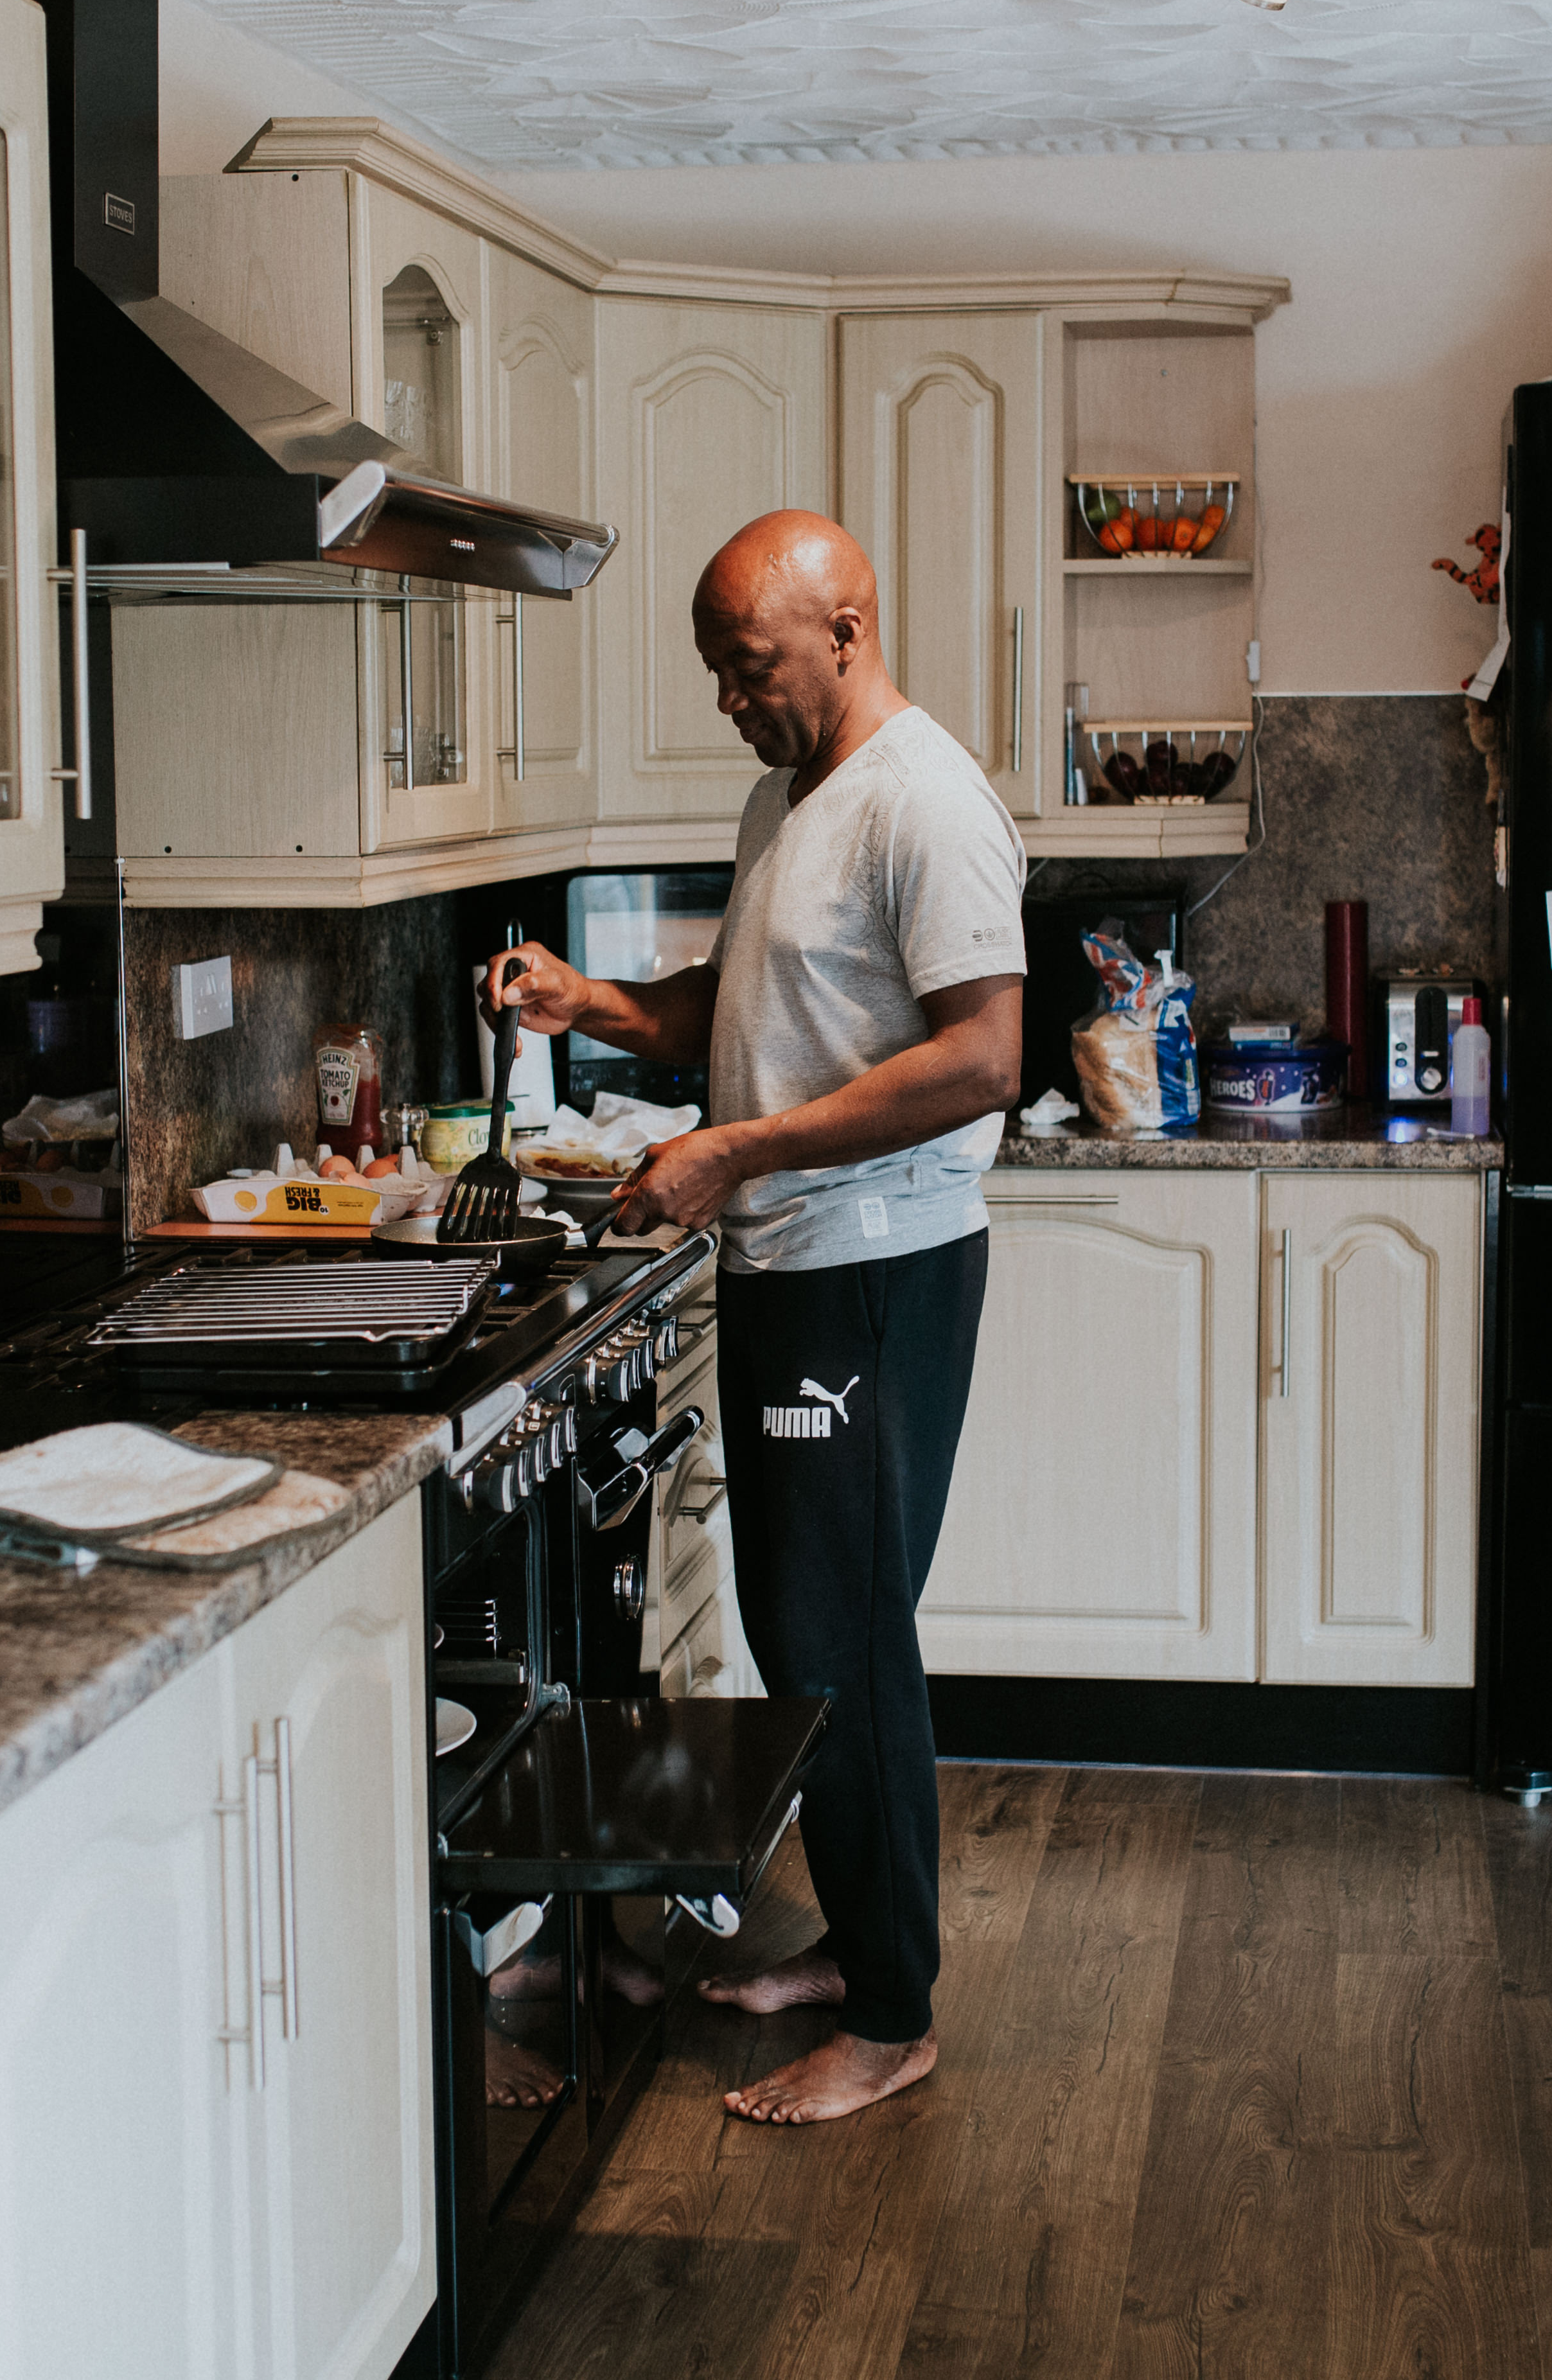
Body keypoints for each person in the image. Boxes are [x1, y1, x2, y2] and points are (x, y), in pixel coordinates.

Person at [485, 510, 1025, 2126]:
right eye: (716, 672)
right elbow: (744, 1023)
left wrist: (739, 1150)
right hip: (797, 1261)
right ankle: (862, 1955)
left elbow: (984, 1054)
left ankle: (897, 2016)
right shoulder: (788, 799)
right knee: (809, 1636)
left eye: (751, 665)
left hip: (870, 1267)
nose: (731, 698)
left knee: (849, 1647)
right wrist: (594, 1010)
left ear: (845, 630)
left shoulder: (923, 802)